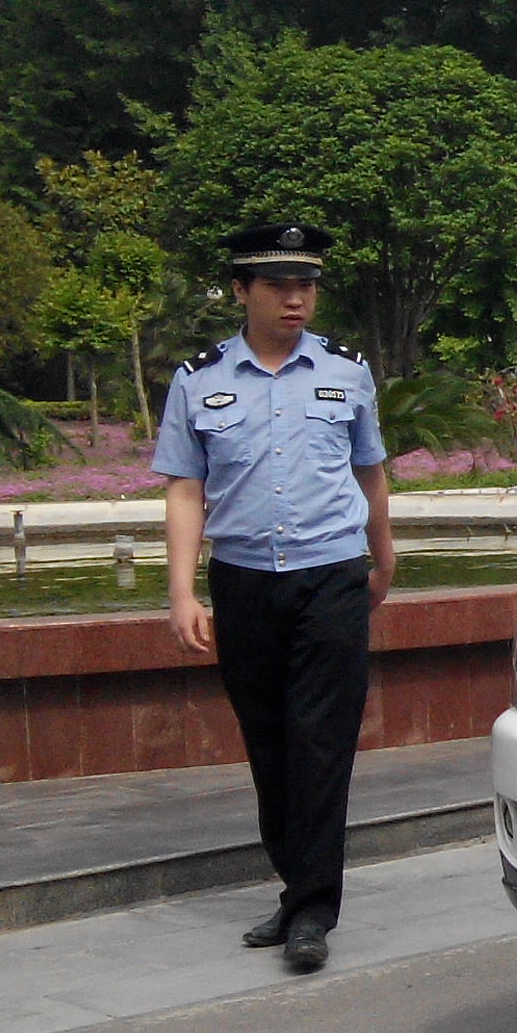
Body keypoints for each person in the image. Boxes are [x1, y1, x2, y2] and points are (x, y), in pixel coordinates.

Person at [152, 223, 394, 974]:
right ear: (241, 291)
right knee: (270, 742)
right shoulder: (198, 379)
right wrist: (182, 591)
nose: (296, 299)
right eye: (279, 286)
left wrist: (384, 556)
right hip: (246, 581)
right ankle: (297, 892)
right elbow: (185, 489)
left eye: (306, 286)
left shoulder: (347, 371)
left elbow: (370, 471)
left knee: (321, 741)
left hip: (331, 575)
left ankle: (315, 909)